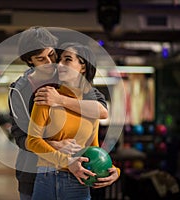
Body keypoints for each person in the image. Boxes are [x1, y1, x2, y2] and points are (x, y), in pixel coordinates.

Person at [9, 26, 110, 200]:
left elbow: (100, 108)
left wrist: (59, 100)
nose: (50, 62)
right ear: (30, 61)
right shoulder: (18, 91)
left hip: (72, 175)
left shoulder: (66, 76)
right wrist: (54, 144)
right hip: (32, 173)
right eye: (41, 59)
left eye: (51, 55)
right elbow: (20, 136)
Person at [26, 42, 120, 200]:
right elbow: (32, 141)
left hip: (79, 183)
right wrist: (67, 162)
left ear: (83, 67)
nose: (60, 64)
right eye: (60, 60)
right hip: (48, 178)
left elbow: (93, 149)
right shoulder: (46, 96)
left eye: (67, 59)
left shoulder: (90, 108)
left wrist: (113, 170)